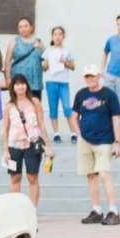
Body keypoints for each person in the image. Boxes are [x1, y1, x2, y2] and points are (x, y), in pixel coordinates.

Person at [71, 65, 120, 225]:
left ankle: (114, 211)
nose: (90, 79)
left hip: (105, 140)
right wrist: (79, 133)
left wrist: (118, 142)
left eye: (92, 76)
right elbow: (74, 116)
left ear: (99, 76)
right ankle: (97, 210)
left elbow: (116, 118)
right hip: (85, 140)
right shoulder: (81, 94)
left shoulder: (109, 95)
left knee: (104, 173)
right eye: (87, 76)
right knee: (91, 175)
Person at [3, 74, 48, 207]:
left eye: (22, 83)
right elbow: (5, 129)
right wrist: (5, 150)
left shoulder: (35, 102)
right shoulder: (9, 106)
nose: (20, 86)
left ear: (27, 85)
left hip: (32, 144)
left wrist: (48, 145)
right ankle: (17, 209)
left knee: (32, 177)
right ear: (13, 87)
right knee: (15, 178)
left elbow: (42, 124)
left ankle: (32, 209)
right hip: (13, 146)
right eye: (17, 84)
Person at [42, 28, 76, 159]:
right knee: (53, 108)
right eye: (55, 34)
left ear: (63, 36)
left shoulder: (66, 51)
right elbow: (44, 68)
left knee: (67, 107)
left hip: (63, 82)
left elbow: (73, 66)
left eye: (60, 34)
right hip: (51, 81)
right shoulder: (48, 51)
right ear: (52, 36)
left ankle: (73, 133)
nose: (57, 37)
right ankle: (56, 133)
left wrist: (64, 61)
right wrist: (46, 64)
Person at [8, 17, 43, 98]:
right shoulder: (14, 42)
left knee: (35, 107)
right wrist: (8, 79)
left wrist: (42, 48)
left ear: (31, 27)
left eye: (25, 26)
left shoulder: (39, 42)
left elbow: (45, 63)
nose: (23, 29)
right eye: (20, 27)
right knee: (18, 107)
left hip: (35, 83)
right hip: (18, 83)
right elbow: (7, 62)